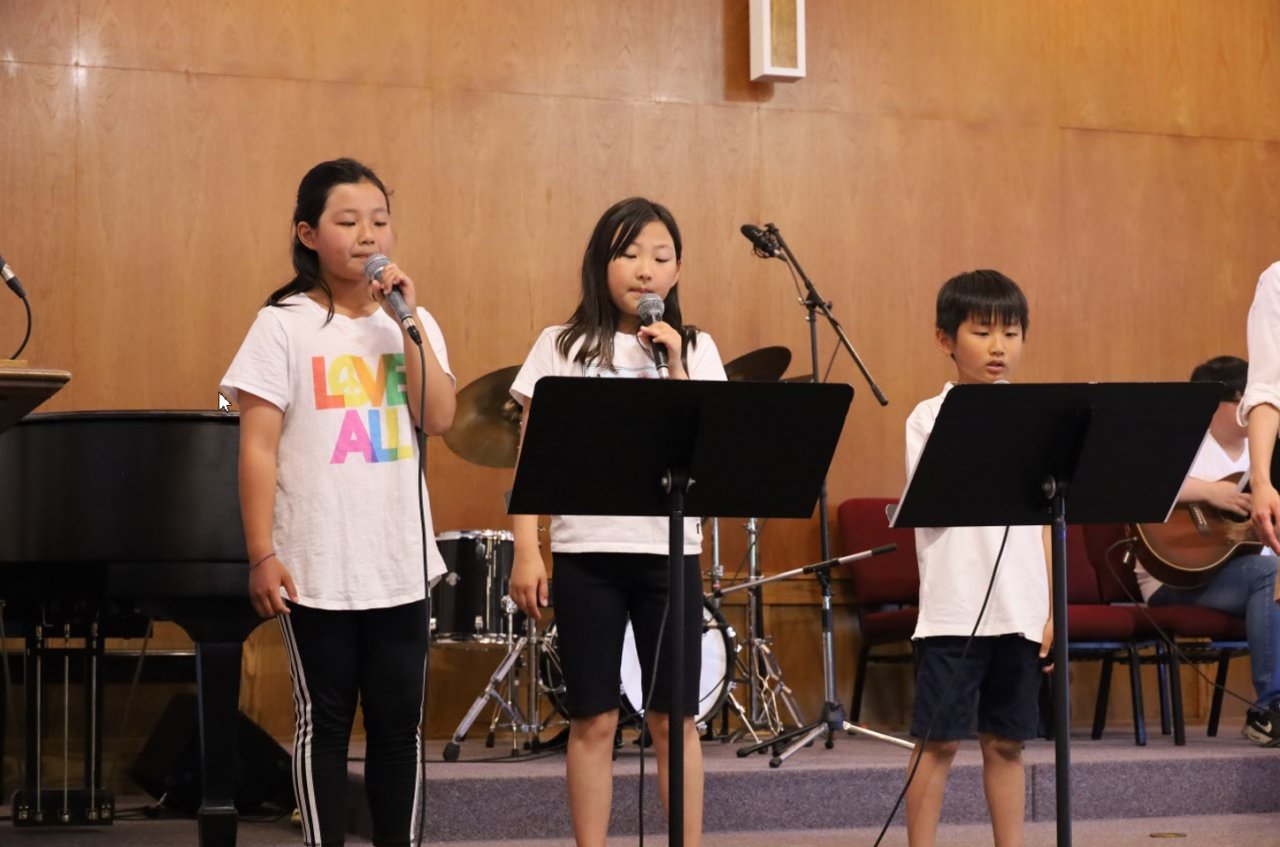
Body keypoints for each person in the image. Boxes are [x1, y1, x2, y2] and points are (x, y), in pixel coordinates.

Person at [220, 158, 456, 847]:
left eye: (379, 220)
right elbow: (257, 449)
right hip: (316, 564)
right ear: (308, 234)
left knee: (398, 727)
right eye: (348, 221)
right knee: (323, 725)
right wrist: (261, 553)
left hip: (399, 562)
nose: (367, 234)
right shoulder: (282, 324)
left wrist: (406, 322)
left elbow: (439, 416)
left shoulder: (411, 322)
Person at [507, 197, 725, 847]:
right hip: (587, 552)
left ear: (678, 270)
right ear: (600, 263)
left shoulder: (696, 347)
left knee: (675, 719)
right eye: (628, 254)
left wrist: (676, 365)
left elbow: (710, 451)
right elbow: (530, 457)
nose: (644, 269)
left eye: (660, 256)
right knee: (593, 717)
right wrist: (526, 548)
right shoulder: (561, 345)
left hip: (669, 553)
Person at [902, 270, 1052, 847]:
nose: (998, 347)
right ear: (946, 339)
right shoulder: (928, 417)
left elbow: (1045, 522)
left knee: (1007, 743)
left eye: (1011, 334)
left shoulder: (1036, 416)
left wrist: (1048, 608)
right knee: (938, 742)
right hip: (955, 611)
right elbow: (934, 501)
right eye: (983, 332)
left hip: (1020, 610)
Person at [1136, 355, 1280, 745]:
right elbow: (1139, 485)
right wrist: (1211, 492)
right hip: (1175, 577)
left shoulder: (1264, 456)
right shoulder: (1180, 443)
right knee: (1270, 576)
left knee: (1270, 574)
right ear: (1215, 403)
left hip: (1243, 576)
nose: (1257, 411)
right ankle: (1270, 710)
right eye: (1247, 402)